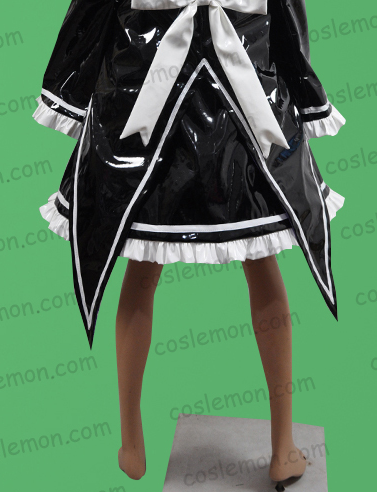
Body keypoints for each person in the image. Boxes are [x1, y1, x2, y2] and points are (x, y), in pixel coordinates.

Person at [33, 0, 344, 483]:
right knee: (261, 264)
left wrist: (68, 91)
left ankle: (131, 441)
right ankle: (282, 446)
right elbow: (286, 18)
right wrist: (302, 88)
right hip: (233, 108)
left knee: (142, 268)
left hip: (153, 108)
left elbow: (91, 15)